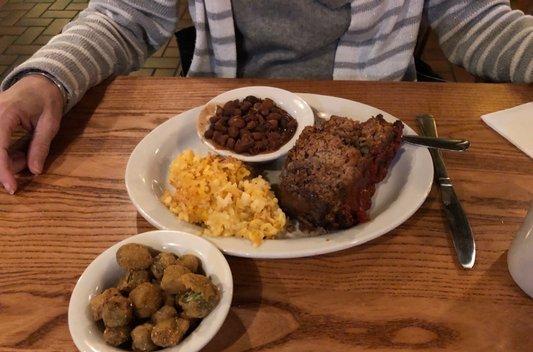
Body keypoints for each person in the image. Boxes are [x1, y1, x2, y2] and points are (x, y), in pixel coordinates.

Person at [0, 0, 531, 194]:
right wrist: (45, 78)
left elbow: (472, 17)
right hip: (220, 162)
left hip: (384, 161)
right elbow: (126, 16)